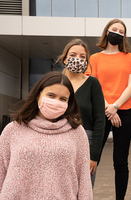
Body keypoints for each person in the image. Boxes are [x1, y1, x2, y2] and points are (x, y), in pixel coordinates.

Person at [0, 71, 92, 199]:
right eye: (51, 95)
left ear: (69, 102)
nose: (56, 102)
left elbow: (84, 180)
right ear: (38, 94)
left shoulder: (77, 132)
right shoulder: (13, 130)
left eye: (63, 99)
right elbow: (1, 173)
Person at [84, 19, 131, 200]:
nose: (117, 32)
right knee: (93, 157)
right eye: (114, 29)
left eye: (121, 31)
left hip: (123, 111)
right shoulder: (94, 58)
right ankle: (85, 195)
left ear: (124, 36)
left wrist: (115, 107)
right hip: (101, 111)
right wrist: (108, 108)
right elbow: (93, 86)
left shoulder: (129, 57)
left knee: (121, 161)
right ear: (106, 31)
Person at [56, 38, 105, 188]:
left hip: (86, 142)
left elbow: (100, 121)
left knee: (84, 188)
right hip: (57, 140)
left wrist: (94, 156)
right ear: (65, 59)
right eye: (73, 55)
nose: (77, 59)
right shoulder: (55, 82)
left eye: (82, 57)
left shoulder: (93, 83)